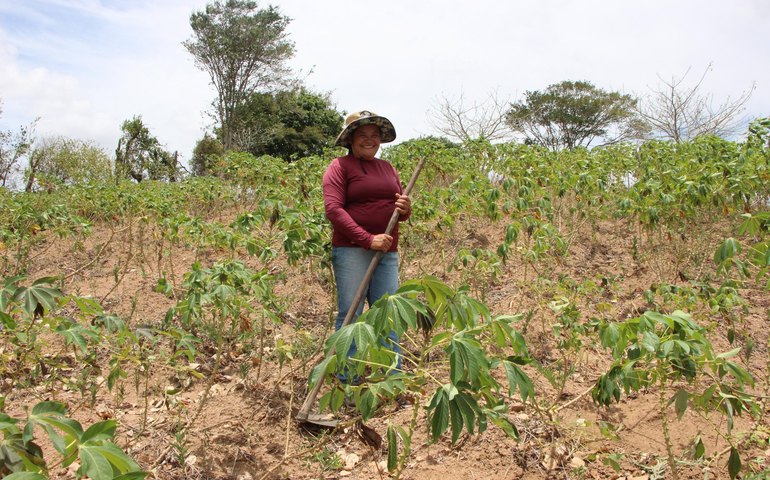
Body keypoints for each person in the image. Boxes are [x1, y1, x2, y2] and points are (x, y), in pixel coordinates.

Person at [322, 110, 411, 382]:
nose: (370, 140)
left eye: (375, 136)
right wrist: (367, 238)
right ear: (351, 140)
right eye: (363, 136)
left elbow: (397, 209)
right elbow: (334, 210)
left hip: (387, 250)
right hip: (352, 250)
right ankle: (348, 379)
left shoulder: (388, 169)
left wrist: (405, 210)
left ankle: (391, 379)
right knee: (352, 312)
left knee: (388, 313)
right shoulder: (339, 167)